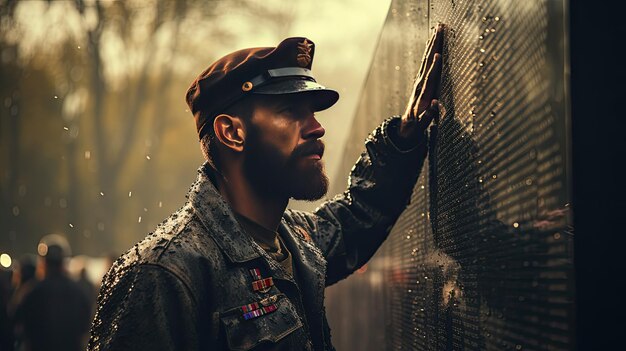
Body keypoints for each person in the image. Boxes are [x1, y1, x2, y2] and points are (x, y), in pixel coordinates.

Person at [88, 24, 445, 350]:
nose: (316, 127)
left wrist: (404, 136)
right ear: (232, 133)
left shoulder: (293, 239)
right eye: (290, 110)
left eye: (313, 111)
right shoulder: (163, 273)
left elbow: (354, 219)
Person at [13, 241, 92, 351]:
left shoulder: (31, 292)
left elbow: (18, 324)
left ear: (43, 262)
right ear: (63, 262)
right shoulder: (78, 292)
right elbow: (85, 327)